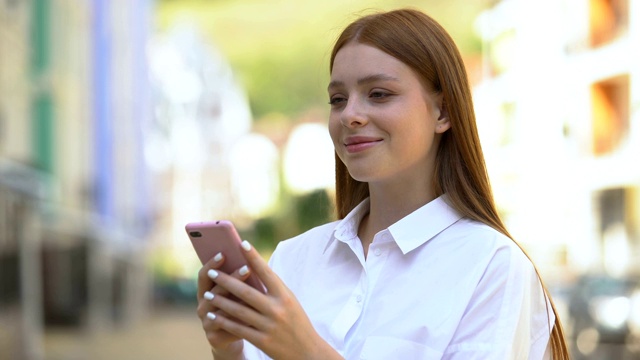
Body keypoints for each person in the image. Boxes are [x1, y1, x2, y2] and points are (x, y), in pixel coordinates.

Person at [196, 8, 570, 360]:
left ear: (443, 111)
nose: (350, 115)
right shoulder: (294, 258)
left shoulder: (492, 265)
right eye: (337, 99)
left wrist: (308, 351)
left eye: (379, 94)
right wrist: (229, 350)